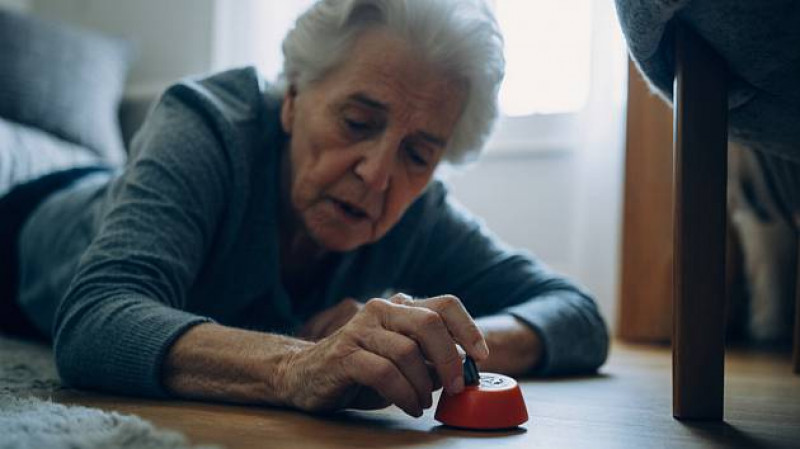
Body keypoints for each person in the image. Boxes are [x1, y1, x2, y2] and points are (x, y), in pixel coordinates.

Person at [1, 0, 608, 417]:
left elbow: (578, 314)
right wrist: (299, 365)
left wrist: (438, 343)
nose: (377, 174)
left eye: (419, 153)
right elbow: (93, 321)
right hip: (28, 224)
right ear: (292, 98)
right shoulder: (207, 124)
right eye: (356, 121)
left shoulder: (421, 212)